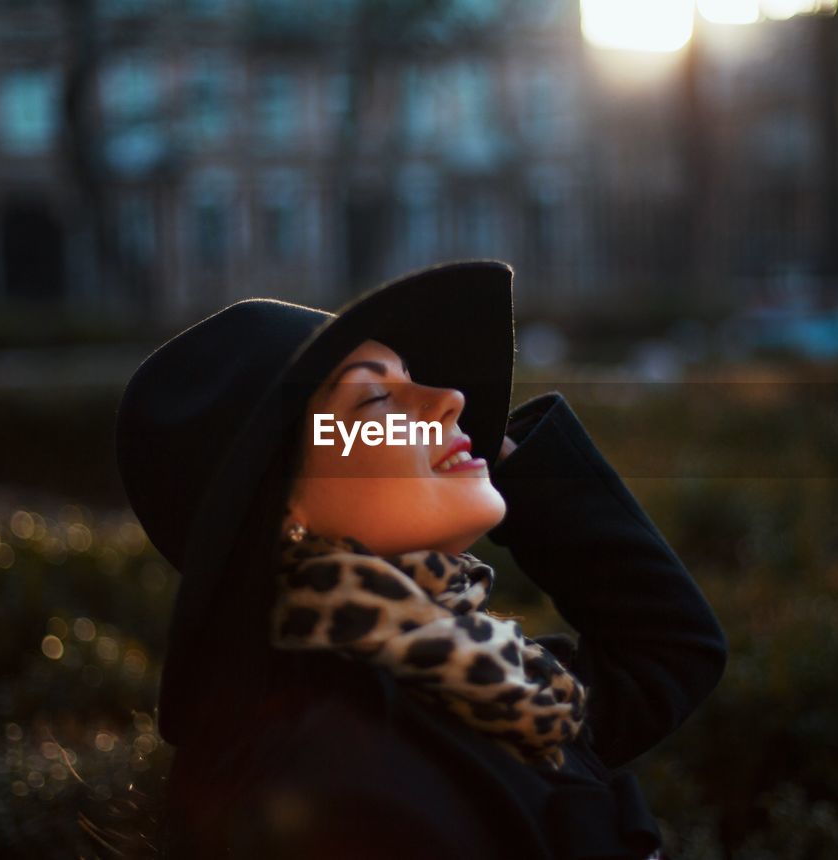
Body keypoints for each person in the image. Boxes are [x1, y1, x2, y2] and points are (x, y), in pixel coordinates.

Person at [113, 260, 729, 859]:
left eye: (416, 376)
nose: (452, 397)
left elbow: (667, 648)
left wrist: (484, 453)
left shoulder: (477, 677)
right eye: (377, 401)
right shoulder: (333, 778)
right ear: (279, 507)